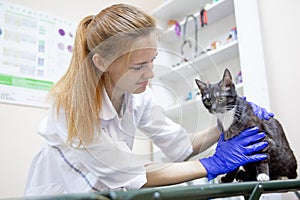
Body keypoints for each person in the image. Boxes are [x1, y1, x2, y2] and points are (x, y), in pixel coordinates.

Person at [24, 4, 273, 196]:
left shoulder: (137, 95)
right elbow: (130, 174)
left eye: (152, 60)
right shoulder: (71, 107)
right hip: (63, 191)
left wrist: (225, 124)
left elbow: (179, 145)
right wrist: (212, 164)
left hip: (104, 191)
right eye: (139, 65)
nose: (151, 73)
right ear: (102, 63)